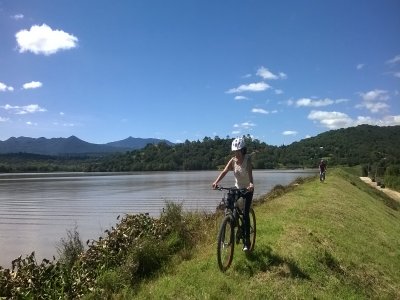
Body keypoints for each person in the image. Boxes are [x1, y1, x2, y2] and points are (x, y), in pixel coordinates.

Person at [212, 137, 254, 251]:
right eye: (235, 151)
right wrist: (216, 182)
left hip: (247, 189)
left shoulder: (247, 160)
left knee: (245, 214)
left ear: (243, 150)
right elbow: (224, 171)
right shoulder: (233, 161)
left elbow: (250, 175)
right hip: (237, 187)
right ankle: (230, 223)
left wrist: (251, 184)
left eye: (239, 151)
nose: (237, 153)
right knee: (229, 205)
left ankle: (247, 242)